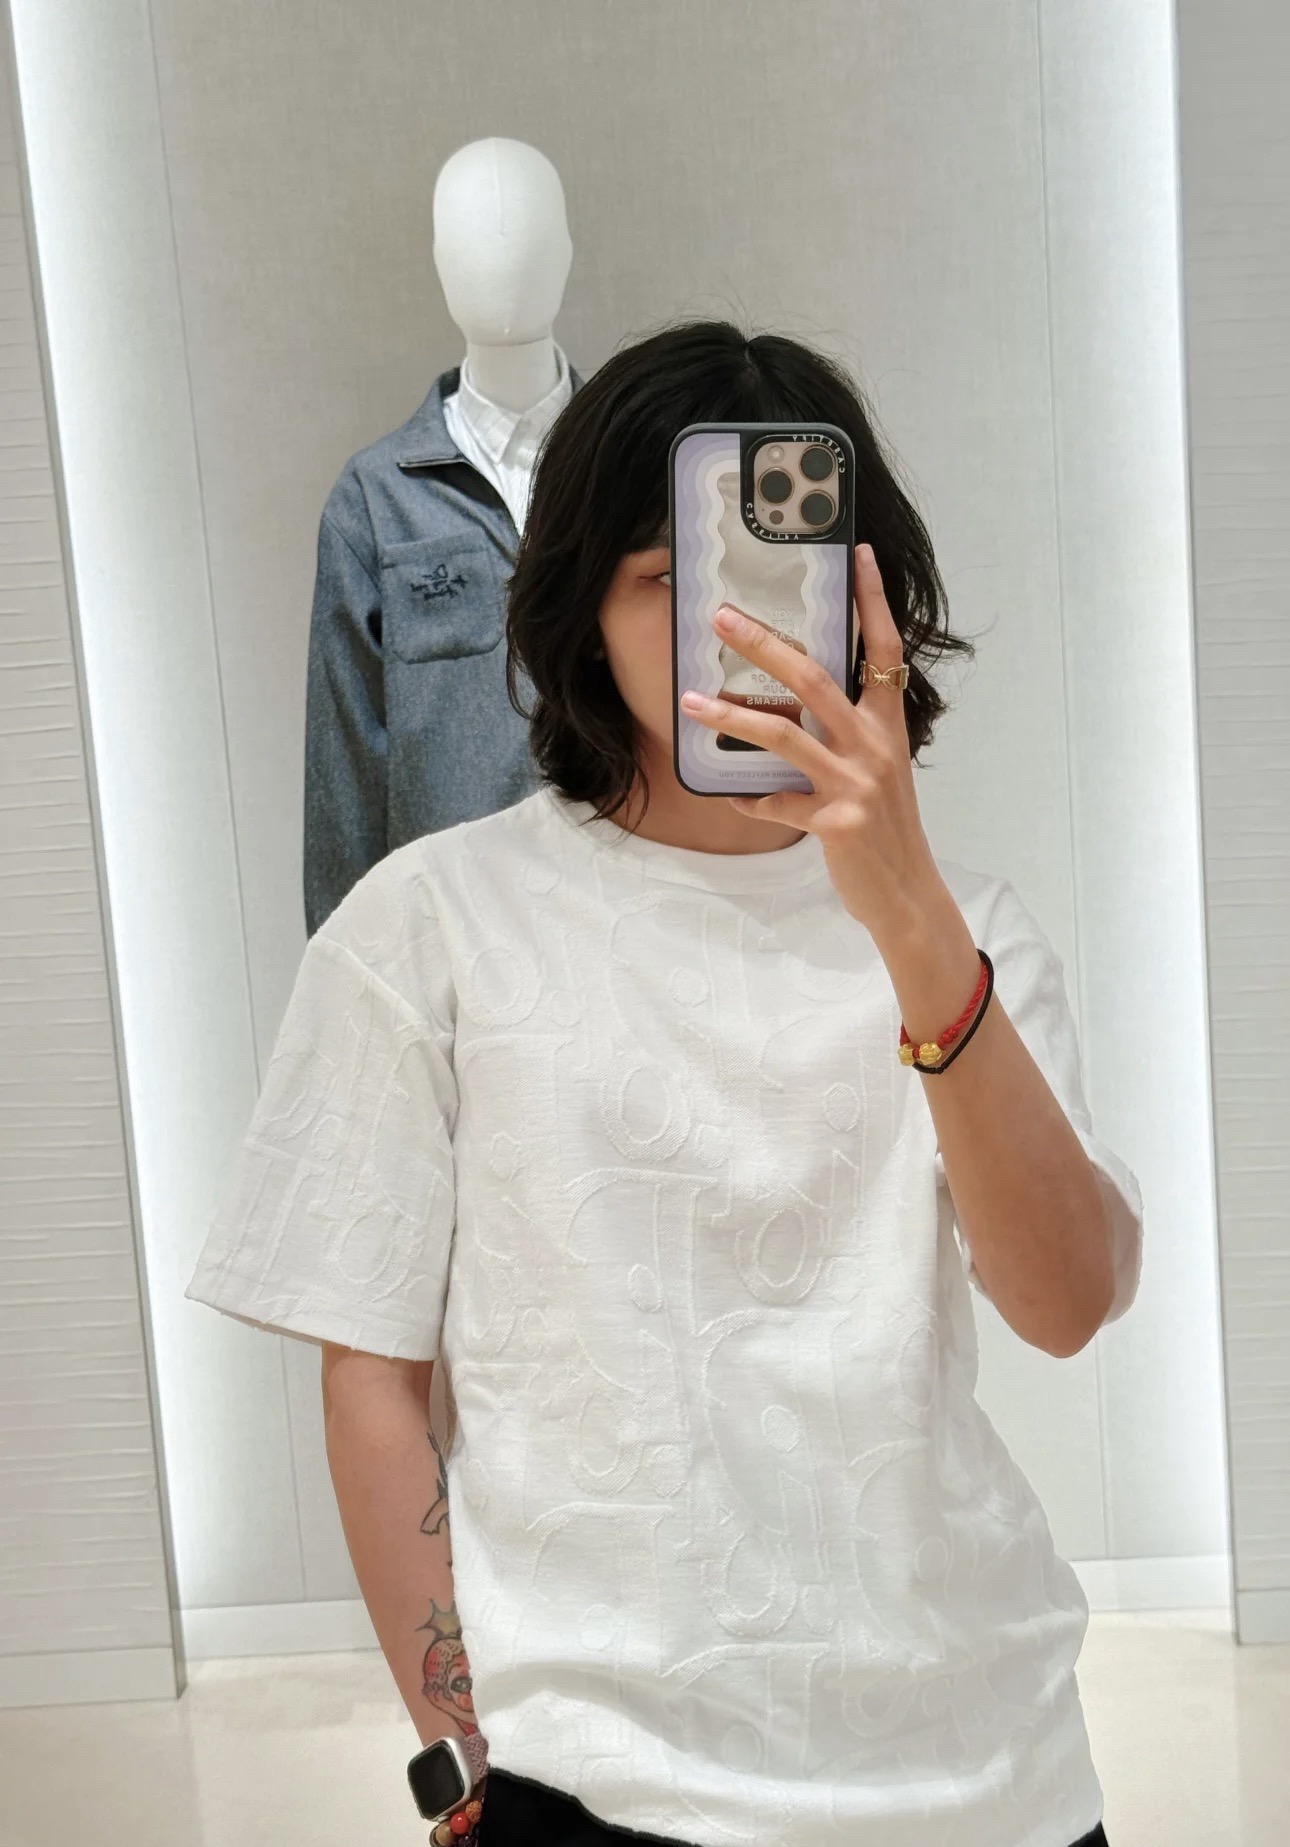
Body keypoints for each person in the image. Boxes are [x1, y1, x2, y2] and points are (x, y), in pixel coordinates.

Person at [185, 320, 1143, 1847]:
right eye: (667, 577)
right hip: (595, 1776)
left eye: (777, 577)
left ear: (865, 601)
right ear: (580, 607)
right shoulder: (428, 927)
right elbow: (371, 1371)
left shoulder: (967, 929)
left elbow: (1066, 1300)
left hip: (980, 1769)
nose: (731, 625)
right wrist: (452, 1756)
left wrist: (907, 919)